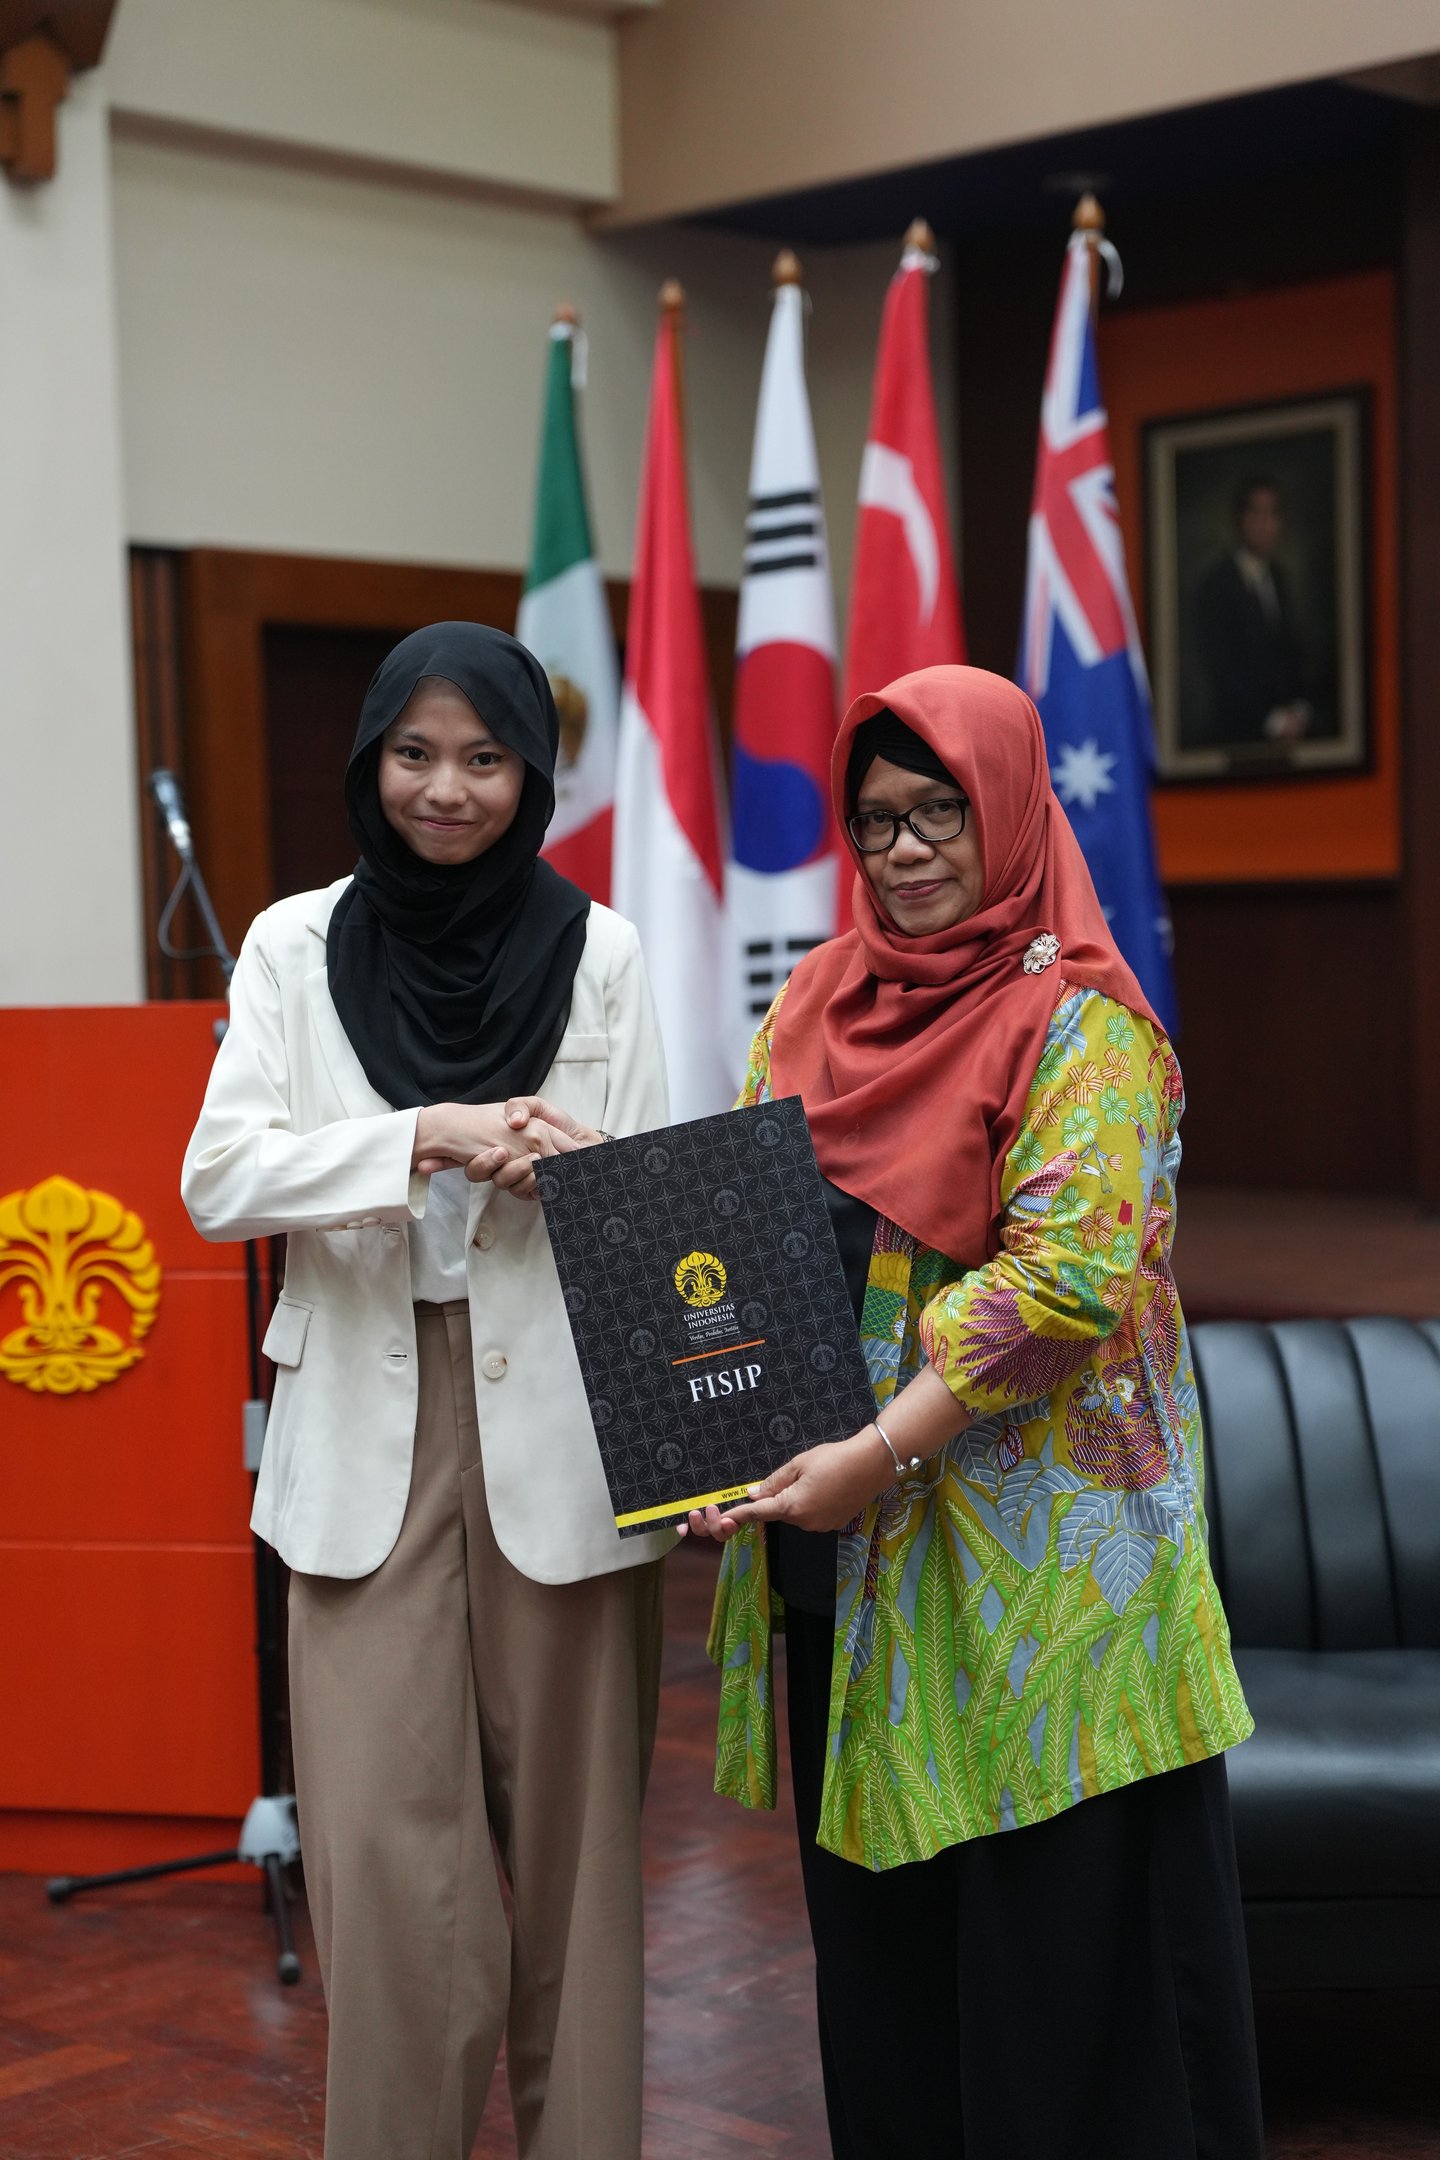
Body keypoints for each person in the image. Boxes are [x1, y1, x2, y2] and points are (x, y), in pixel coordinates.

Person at [685, 665, 1263, 2160]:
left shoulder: (1084, 1026)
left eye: (940, 811)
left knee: (1051, 1988)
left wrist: (874, 1450)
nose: (906, 849)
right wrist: (720, 1437)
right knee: (885, 1969)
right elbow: (751, 1237)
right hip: (849, 1560)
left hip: (1045, 1590)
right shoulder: (812, 1002)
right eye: (876, 820)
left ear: (1007, 812)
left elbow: (1065, 1284)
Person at [182, 622, 672, 2160]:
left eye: (483, 757)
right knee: (388, 1877)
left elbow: (653, 1202)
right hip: (362, 1441)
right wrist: (420, 1136)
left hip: (569, 1440)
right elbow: (218, 1178)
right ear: (370, 758)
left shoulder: (601, 950)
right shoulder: (291, 944)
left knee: (582, 1878)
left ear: (530, 773)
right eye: (414, 753)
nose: (445, 788)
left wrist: (566, 1173)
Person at [1193, 473, 1311, 748]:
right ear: (1240, 519)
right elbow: (1220, 668)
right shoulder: (1216, 583)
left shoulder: (1279, 578)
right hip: (1238, 735)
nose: (1263, 524)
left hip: (1289, 732)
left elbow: (1291, 653)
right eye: (1255, 513)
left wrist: (1298, 709)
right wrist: (1273, 720)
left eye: (1271, 514)